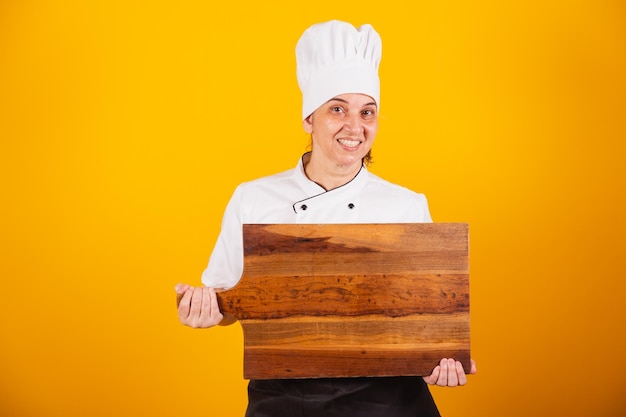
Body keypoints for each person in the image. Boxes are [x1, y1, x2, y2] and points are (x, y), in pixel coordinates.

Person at [175, 20, 477, 417]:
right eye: (338, 109)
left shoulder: (406, 205)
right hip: (285, 397)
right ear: (308, 119)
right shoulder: (254, 198)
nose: (355, 127)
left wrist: (437, 360)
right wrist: (206, 310)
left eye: (367, 112)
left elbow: (424, 320)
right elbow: (231, 304)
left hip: (389, 399)